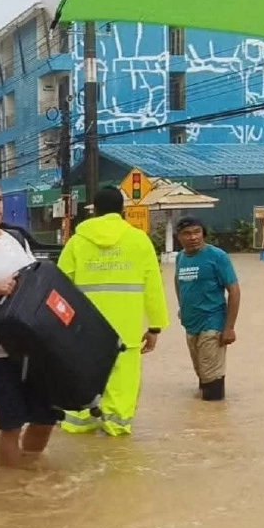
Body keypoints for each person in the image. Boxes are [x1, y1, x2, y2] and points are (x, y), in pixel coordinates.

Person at [57, 186, 169, 436]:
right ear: (123, 210)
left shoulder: (77, 242)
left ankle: (79, 427)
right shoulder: (139, 241)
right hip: (126, 332)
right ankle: (115, 431)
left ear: (94, 210)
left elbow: (59, 286)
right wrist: (154, 326)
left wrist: (59, 330)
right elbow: (153, 287)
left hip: (84, 331)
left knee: (83, 380)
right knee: (121, 387)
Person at [0, 179, 57, 467]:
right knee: (11, 424)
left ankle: (28, 473)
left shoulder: (17, 239)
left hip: (31, 344)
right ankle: (10, 487)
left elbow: (36, 279)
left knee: (46, 418)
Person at [174, 216, 240, 401]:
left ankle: (216, 422)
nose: (193, 237)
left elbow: (234, 291)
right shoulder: (180, 257)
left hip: (213, 322)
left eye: (197, 232)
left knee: (212, 378)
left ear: (203, 234)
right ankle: (204, 420)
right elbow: (179, 283)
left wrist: (229, 327)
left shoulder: (217, 256)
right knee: (202, 372)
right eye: (187, 233)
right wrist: (182, 306)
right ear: (178, 237)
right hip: (190, 323)